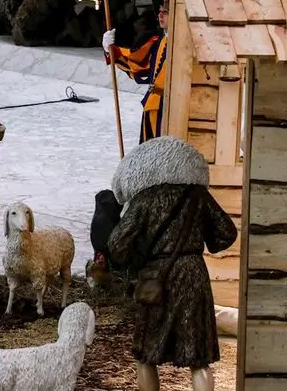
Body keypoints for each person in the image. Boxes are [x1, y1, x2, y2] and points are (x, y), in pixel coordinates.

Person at [107, 136, 238, 391]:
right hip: (193, 274)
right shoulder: (198, 195)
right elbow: (226, 234)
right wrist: (202, 240)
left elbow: (116, 245)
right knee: (198, 357)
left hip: (156, 277)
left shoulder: (144, 199)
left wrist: (139, 257)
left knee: (146, 355)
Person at [102, 0, 168, 143]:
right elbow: (137, 65)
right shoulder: (158, 41)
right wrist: (111, 49)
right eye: (159, 11)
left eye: (164, 12)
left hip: (171, 108)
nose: (160, 16)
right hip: (153, 106)